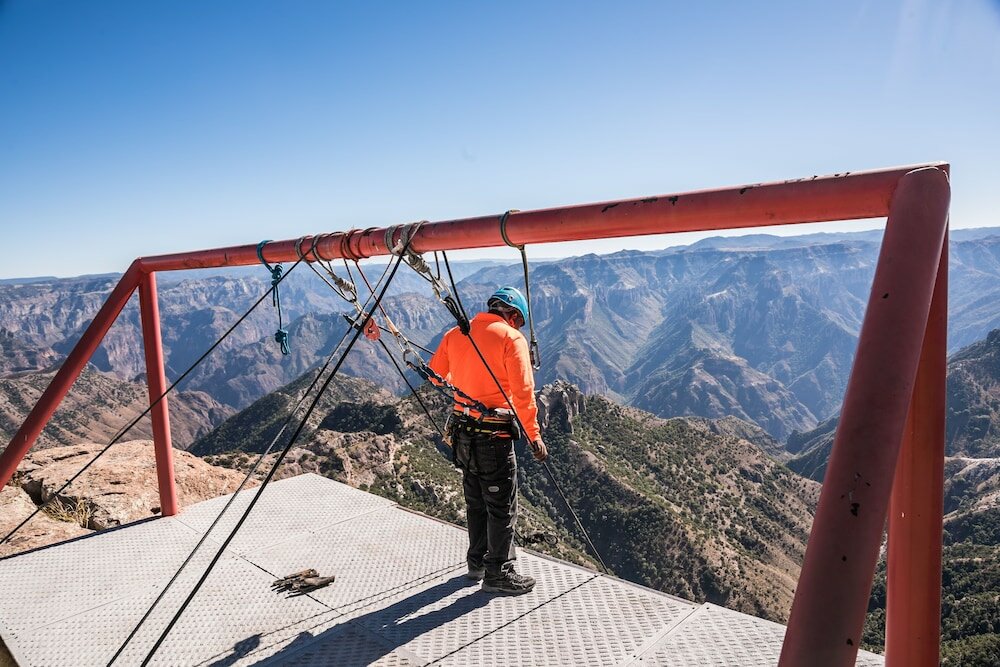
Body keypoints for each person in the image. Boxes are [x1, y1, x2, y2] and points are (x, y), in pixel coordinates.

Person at [428, 286, 548, 595]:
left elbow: (434, 375)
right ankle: (498, 573)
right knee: (501, 507)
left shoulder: (456, 333)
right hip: (493, 438)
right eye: (519, 322)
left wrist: (466, 379)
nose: (518, 327)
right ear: (514, 315)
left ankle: (476, 563)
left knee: (476, 502)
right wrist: (533, 435)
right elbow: (523, 394)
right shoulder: (511, 339)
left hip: (463, 435)